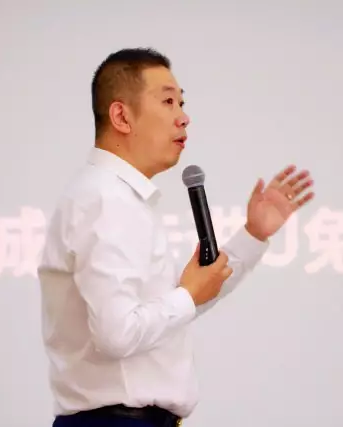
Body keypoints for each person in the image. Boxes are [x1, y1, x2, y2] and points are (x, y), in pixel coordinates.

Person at [38, 47, 314, 427]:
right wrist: (187, 295)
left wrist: (252, 235)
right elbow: (117, 334)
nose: (183, 117)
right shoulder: (104, 200)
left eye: (182, 103)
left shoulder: (119, 199)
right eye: (168, 102)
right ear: (121, 116)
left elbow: (169, 312)